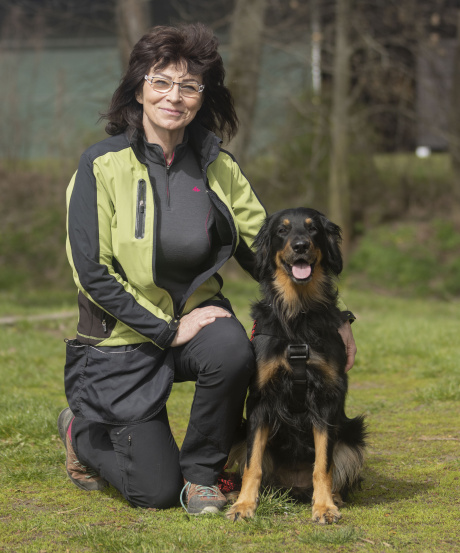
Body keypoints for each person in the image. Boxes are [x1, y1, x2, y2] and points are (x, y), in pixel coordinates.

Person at [58, 22, 357, 515]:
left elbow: (271, 252)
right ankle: (80, 432)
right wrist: (167, 329)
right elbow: (92, 273)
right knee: (155, 492)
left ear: (203, 96)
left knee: (233, 347)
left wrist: (336, 318)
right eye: (161, 81)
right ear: (138, 88)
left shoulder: (217, 165)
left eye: (190, 85)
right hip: (124, 338)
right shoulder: (100, 166)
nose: (174, 96)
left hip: (196, 327)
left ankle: (202, 475)